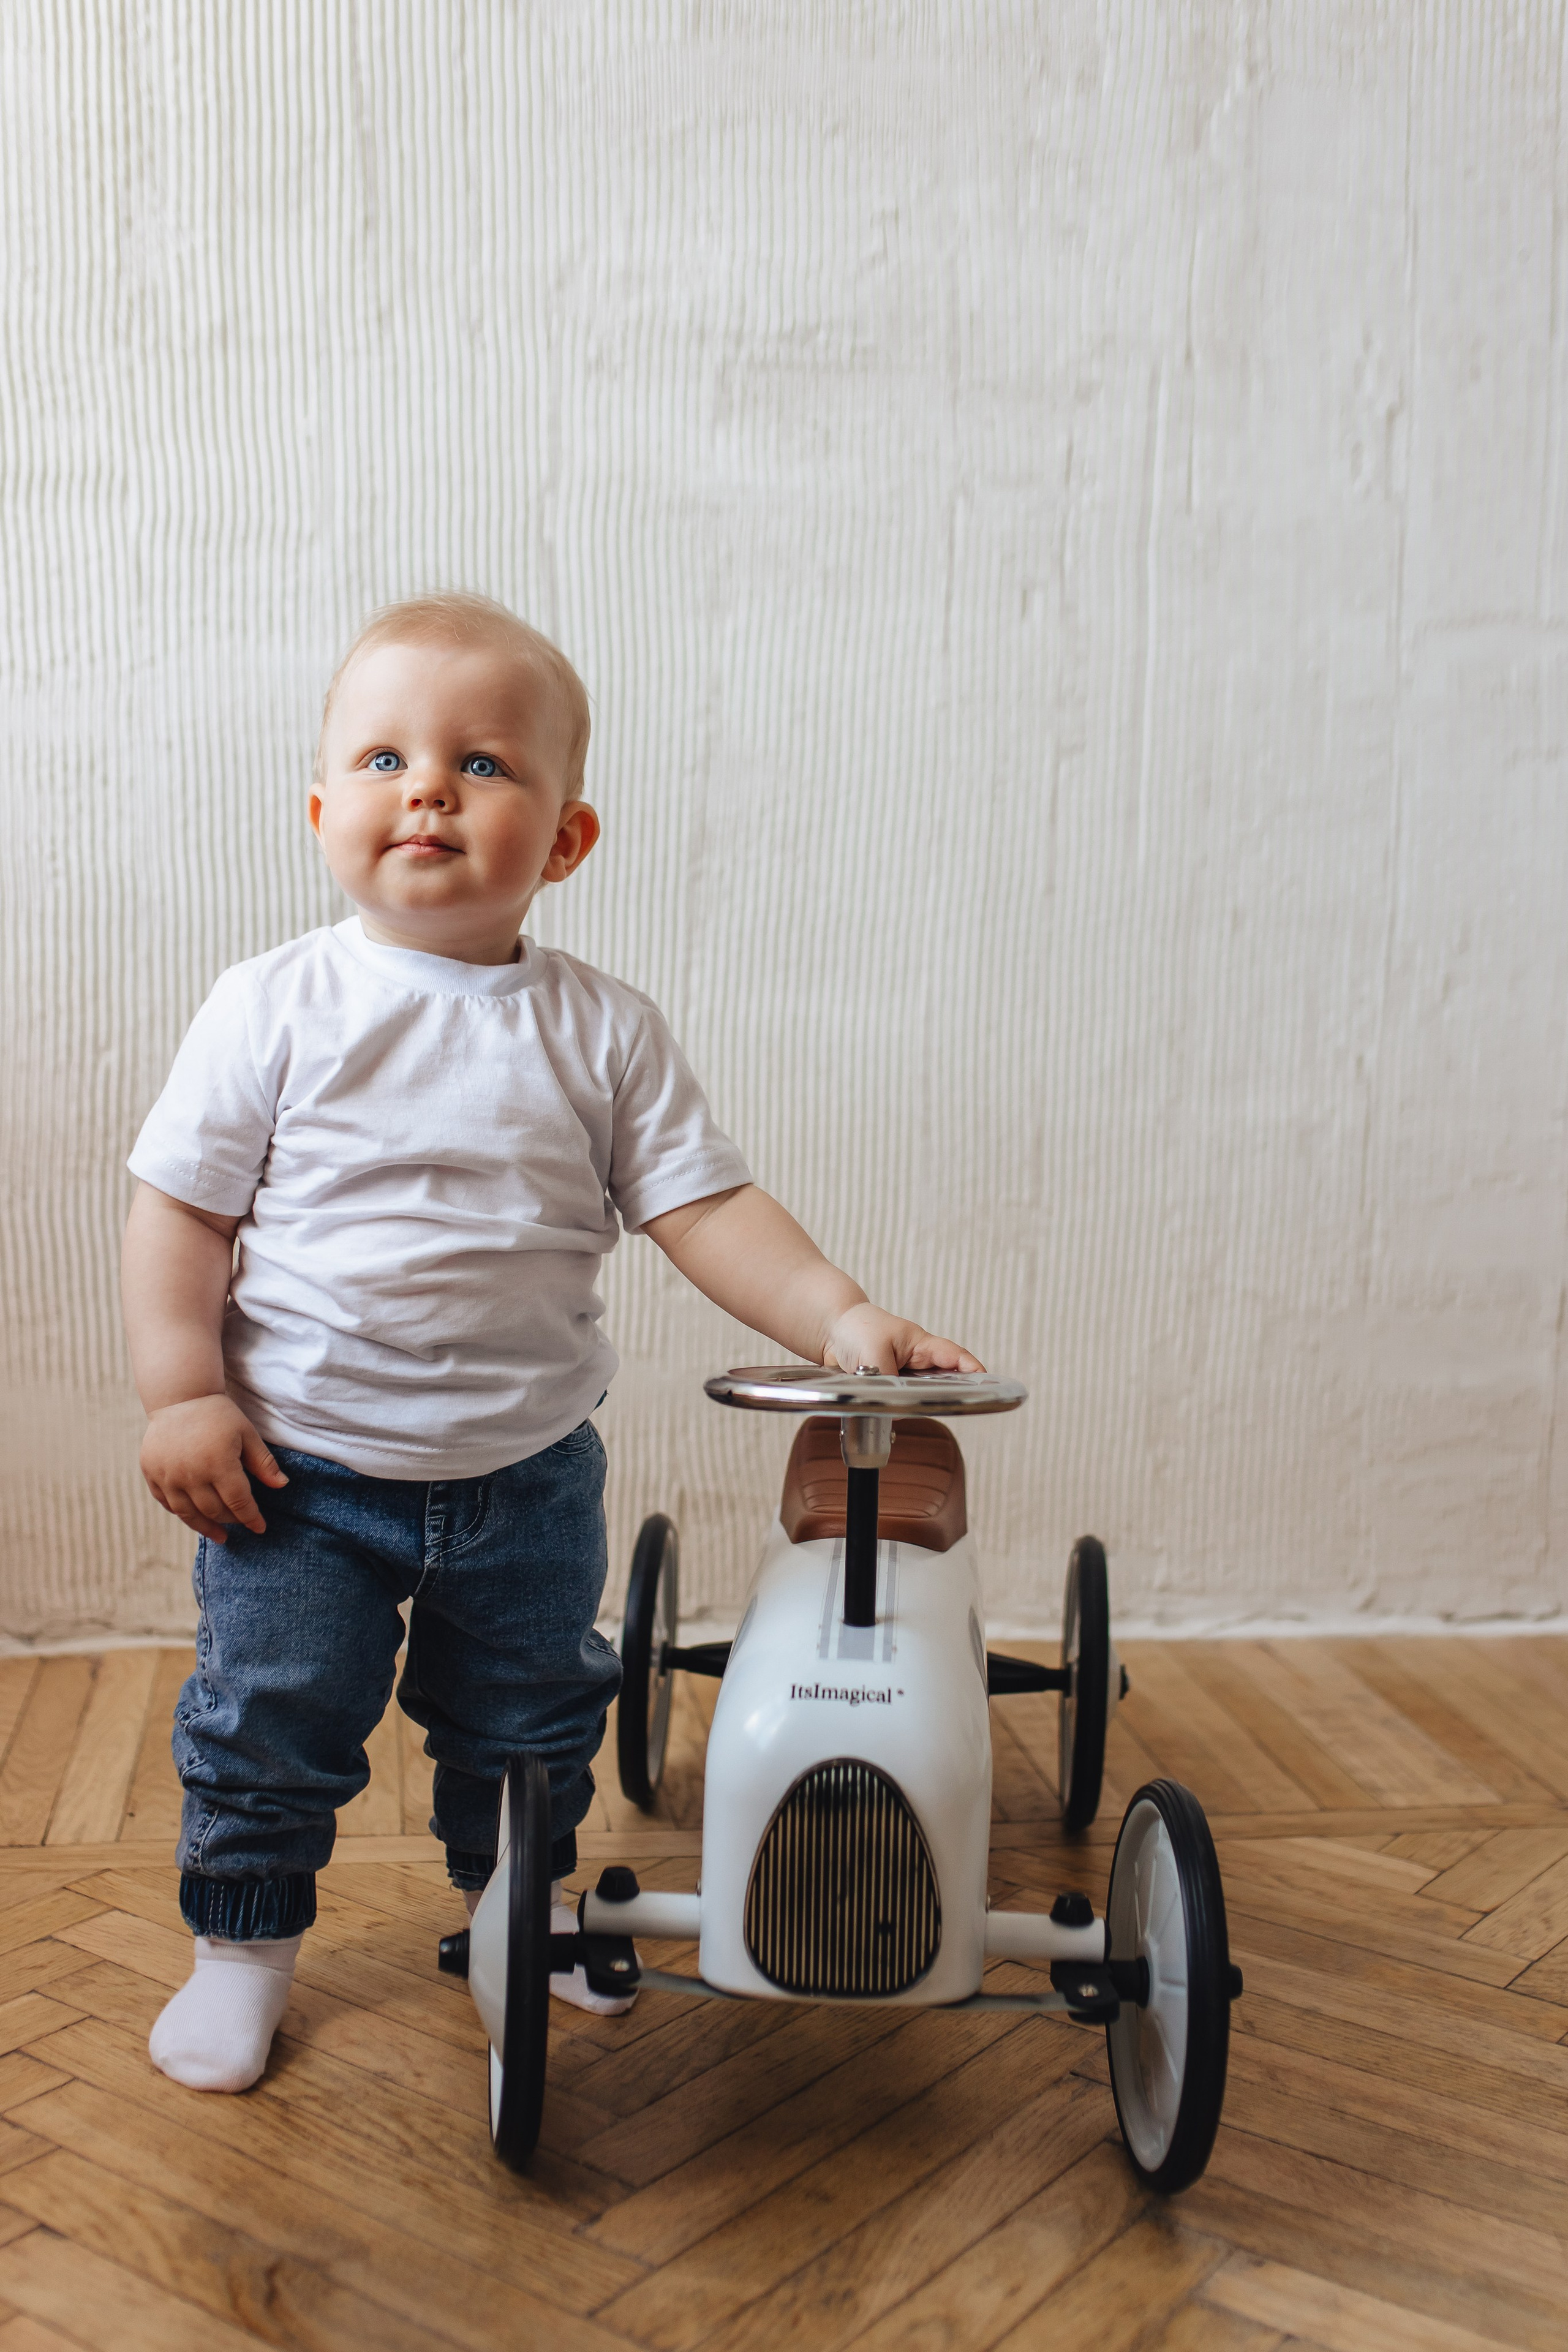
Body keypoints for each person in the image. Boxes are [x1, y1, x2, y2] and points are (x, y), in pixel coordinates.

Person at [122, 592, 981, 2094]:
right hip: (298, 1478)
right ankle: (241, 1948)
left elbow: (705, 1207)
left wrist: (839, 1313)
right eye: (385, 758)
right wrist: (183, 1391)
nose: (429, 790)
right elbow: (178, 1212)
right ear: (323, 809)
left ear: (568, 839)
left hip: (523, 1479)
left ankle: (513, 1907)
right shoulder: (274, 1008)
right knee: (270, 1721)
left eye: (483, 764)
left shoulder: (603, 1033)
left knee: (527, 1720)